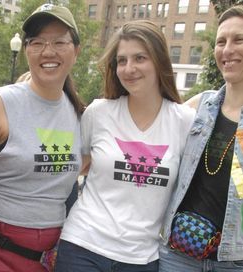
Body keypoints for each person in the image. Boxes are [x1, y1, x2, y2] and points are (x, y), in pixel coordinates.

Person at [55, 20, 195, 272]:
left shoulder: (184, 121)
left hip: (143, 258)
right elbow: (74, 168)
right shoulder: (98, 113)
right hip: (82, 245)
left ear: (159, 61)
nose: (129, 68)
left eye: (140, 58)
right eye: (122, 61)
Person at [0, 3, 83, 272]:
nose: (47, 51)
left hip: (51, 258)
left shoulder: (82, 114)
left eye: (59, 42)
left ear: (76, 50)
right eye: (36, 42)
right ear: (26, 49)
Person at [159, 5, 243, 272]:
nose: (227, 50)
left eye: (239, 39)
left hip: (241, 263)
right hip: (178, 257)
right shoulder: (197, 107)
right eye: (221, 42)